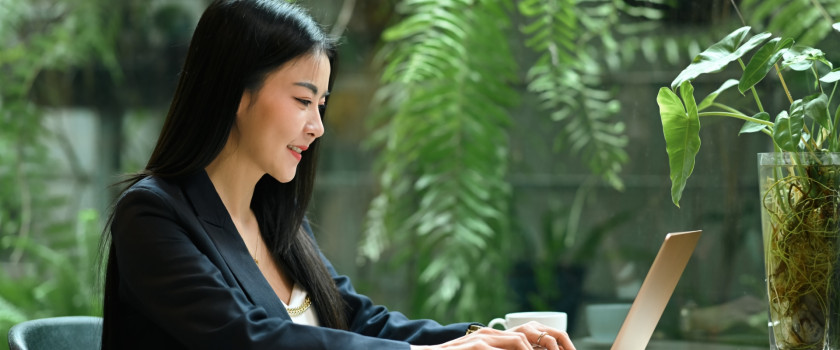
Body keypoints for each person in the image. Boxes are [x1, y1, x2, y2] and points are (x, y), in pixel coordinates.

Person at [99, 1, 575, 349]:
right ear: (235, 95)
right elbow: (246, 339)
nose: (318, 126)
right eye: (303, 101)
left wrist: (488, 337)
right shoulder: (153, 215)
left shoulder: (273, 214)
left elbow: (354, 318)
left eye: (320, 105)